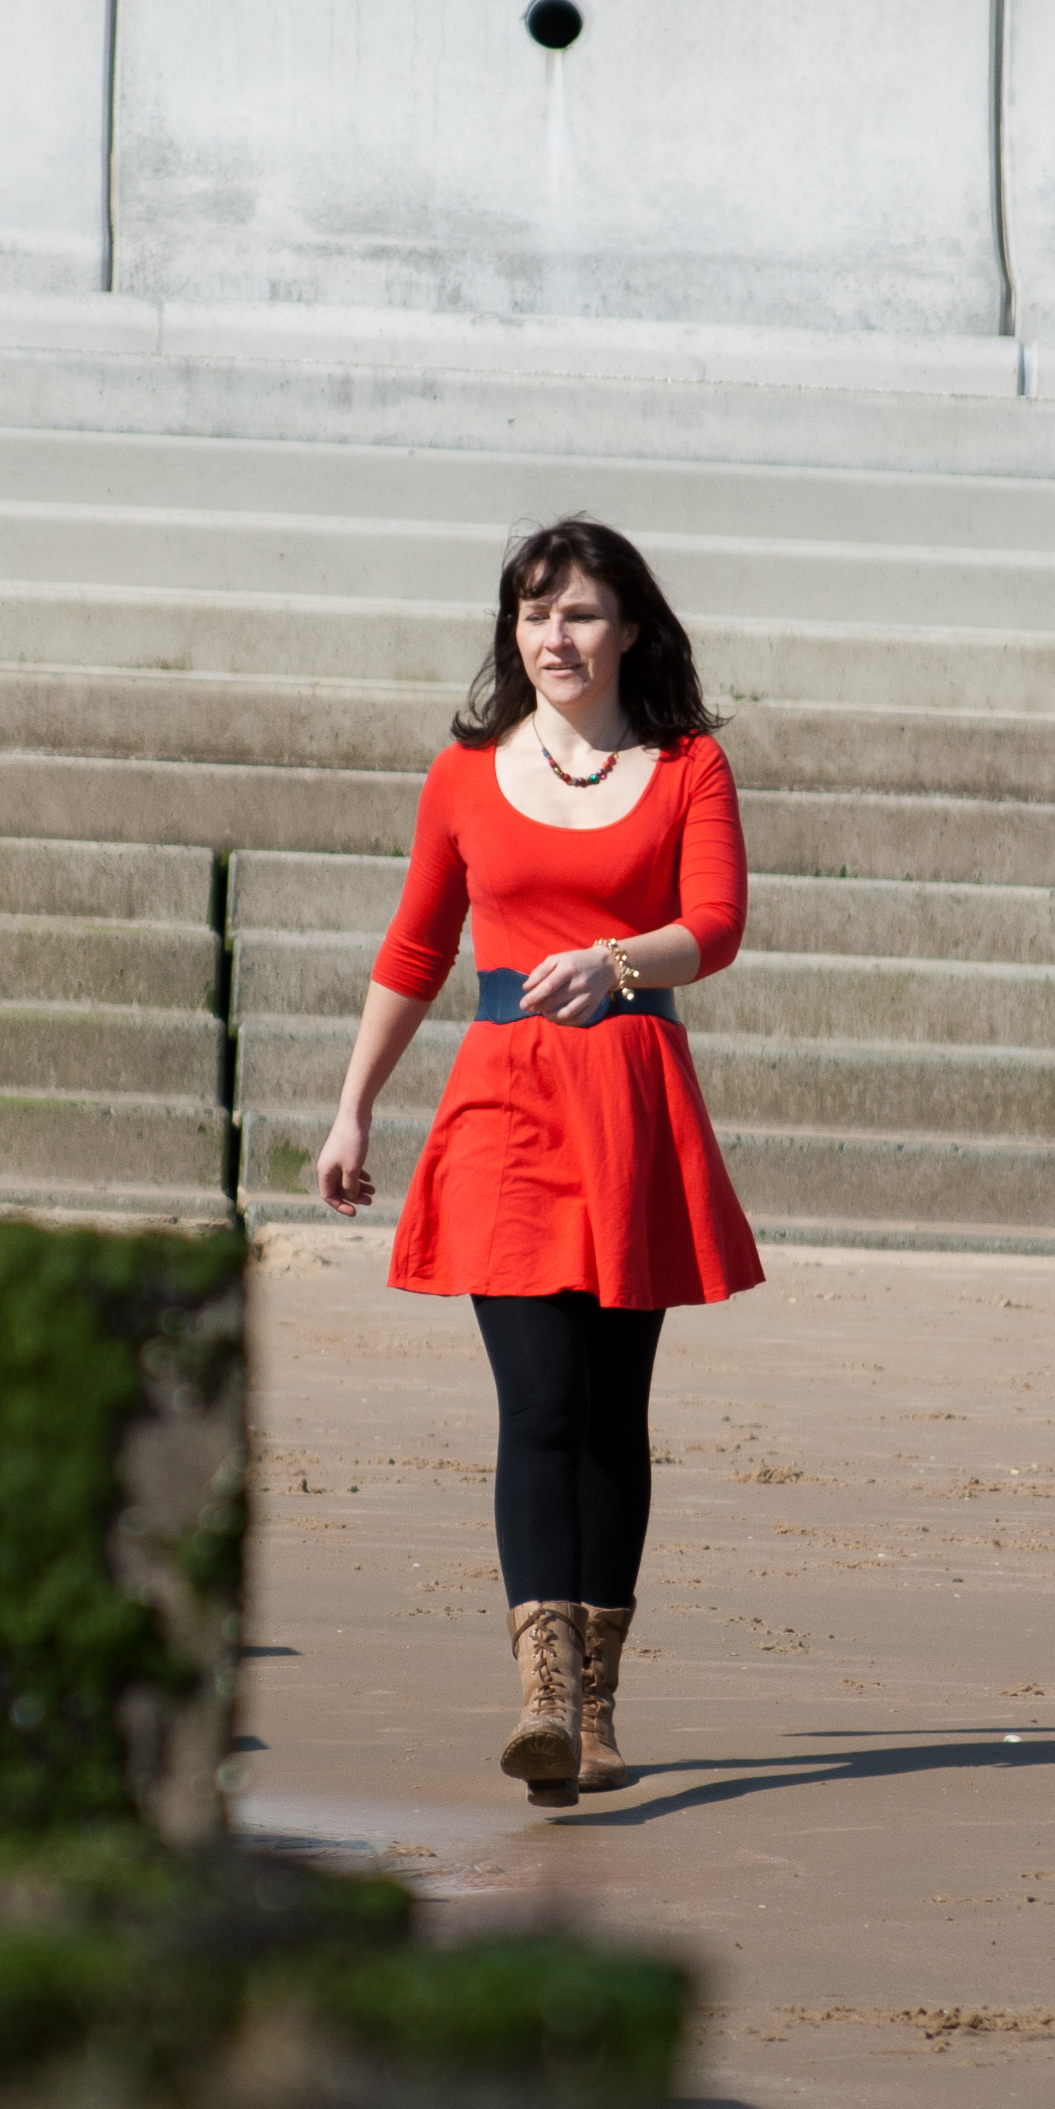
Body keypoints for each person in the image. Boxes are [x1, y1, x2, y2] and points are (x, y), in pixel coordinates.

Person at [315, 517, 764, 1803]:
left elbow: (717, 925)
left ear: (630, 629)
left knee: (613, 1414)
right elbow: (416, 950)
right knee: (541, 1406)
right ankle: (545, 1701)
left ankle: (599, 1706)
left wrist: (617, 962)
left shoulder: (689, 765)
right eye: (532, 612)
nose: (552, 636)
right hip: (503, 1110)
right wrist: (353, 1110)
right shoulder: (465, 775)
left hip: (631, 1107)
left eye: (577, 612)